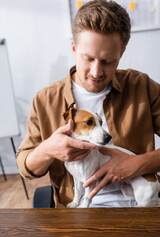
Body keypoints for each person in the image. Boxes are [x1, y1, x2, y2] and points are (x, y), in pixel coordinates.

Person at [16, 0, 160, 208]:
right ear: (74, 48)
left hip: (140, 207)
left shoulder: (142, 87)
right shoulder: (45, 100)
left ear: (121, 53)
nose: (96, 72)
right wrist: (47, 150)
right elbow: (25, 166)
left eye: (107, 61)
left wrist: (135, 165)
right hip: (80, 213)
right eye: (88, 58)